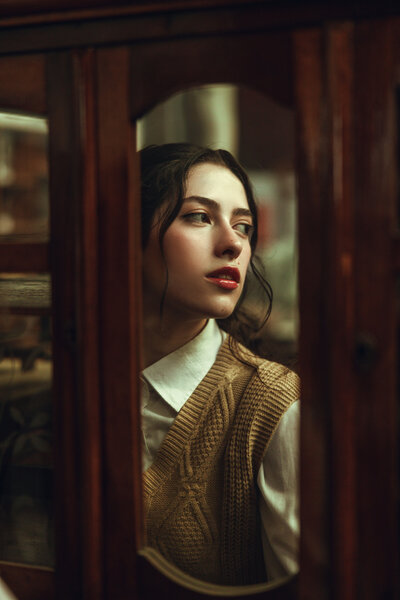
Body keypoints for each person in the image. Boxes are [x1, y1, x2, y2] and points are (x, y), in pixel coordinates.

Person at [140, 143, 300, 586]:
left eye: (244, 226)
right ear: (127, 235)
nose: (232, 244)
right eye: (199, 216)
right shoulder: (71, 378)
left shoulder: (272, 404)